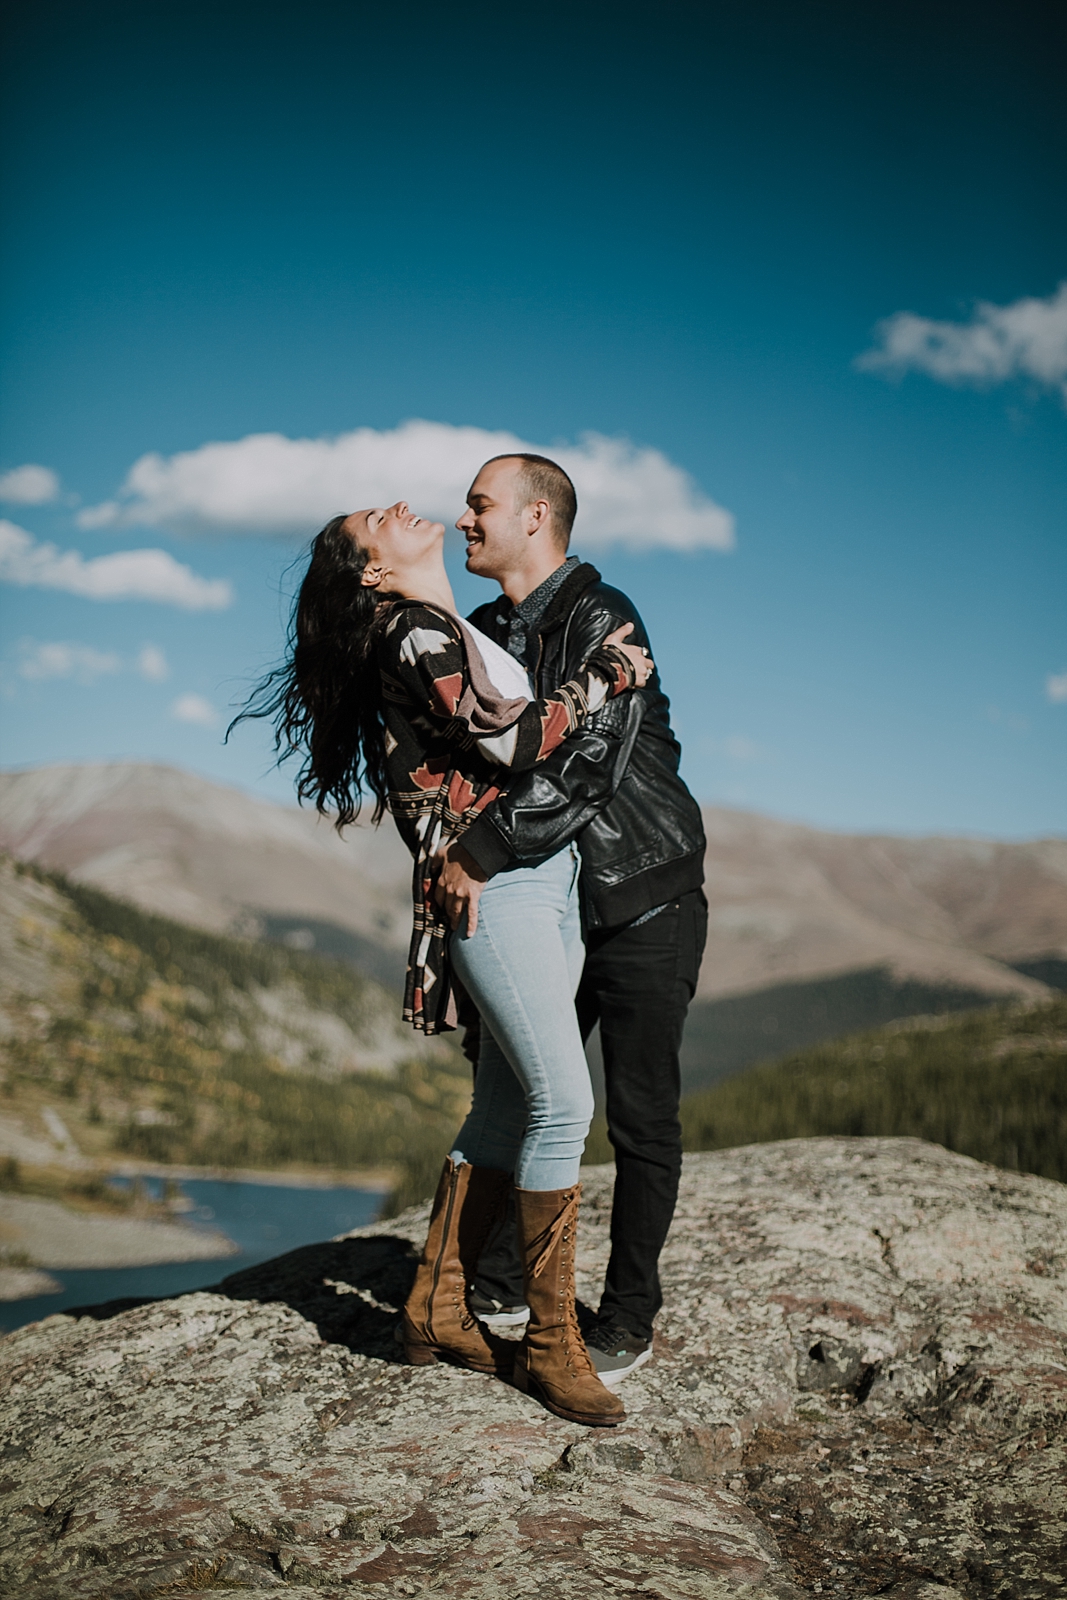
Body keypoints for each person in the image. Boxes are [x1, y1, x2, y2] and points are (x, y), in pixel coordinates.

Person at [239, 501, 652, 1428]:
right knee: (564, 1105)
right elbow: (511, 742)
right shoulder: (414, 633)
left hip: (543, 880)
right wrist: (605, 676)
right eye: (367, 525)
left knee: (505, 1106)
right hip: (494, 889)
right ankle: (550, 1344)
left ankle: (432, 1307)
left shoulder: (443, 626)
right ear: (371, 574)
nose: (394, 506)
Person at [435, 453, 708, 1388]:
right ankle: (500, 1284)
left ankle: (626, 1316)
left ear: (536, 516)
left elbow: (586, 762)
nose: (464, 521)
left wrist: (478, 852)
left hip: (640, 894)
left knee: (636, 1116)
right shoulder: (478, 631)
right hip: (544, 900)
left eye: (479, 507)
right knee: (516, 1096)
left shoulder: (603, 614)